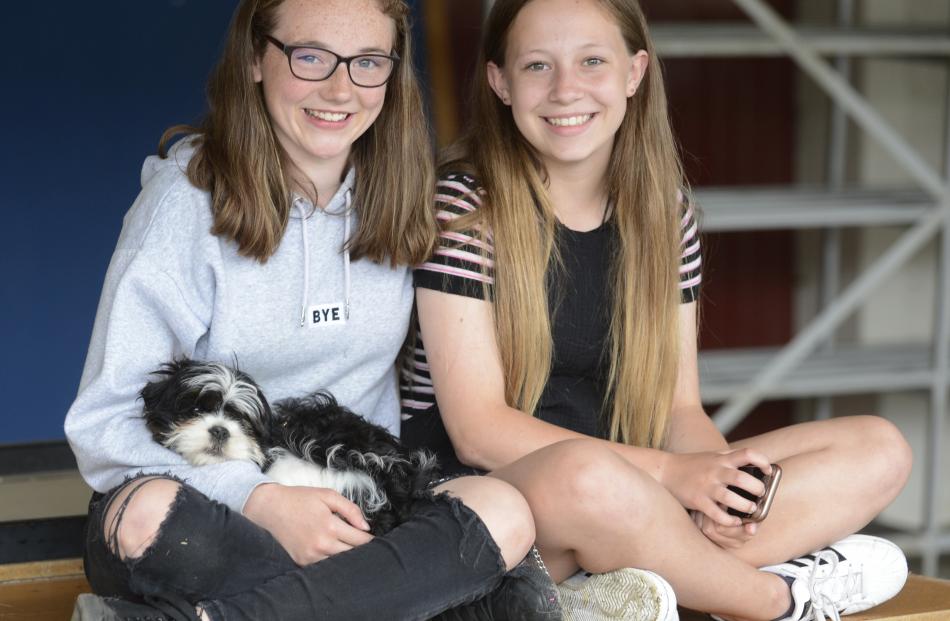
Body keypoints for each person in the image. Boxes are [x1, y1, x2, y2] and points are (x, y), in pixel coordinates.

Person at [401, 0, 914, 619]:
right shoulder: (462, 209)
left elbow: (678, 407)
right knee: (587, 477)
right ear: (500, 83)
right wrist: (674, 476)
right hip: (496, 505)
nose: (567, 90)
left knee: (878, 448)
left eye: (592, 61)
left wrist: (719, 492)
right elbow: (477, 430)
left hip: (637, 493)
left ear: (634, 74)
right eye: (538, 65)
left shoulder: (663, 215)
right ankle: (775, 598)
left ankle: (632, 588)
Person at [65, 0, 562, 619]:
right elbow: (106, 423)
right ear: (255, 57)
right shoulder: (183, 205)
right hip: (212, 506)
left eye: (367, 63)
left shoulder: (404, 200)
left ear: (391, 73)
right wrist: (259, 499)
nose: (339, 88)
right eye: (310, 57)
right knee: (146, 516)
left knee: (502, 512)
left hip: (355, 509)